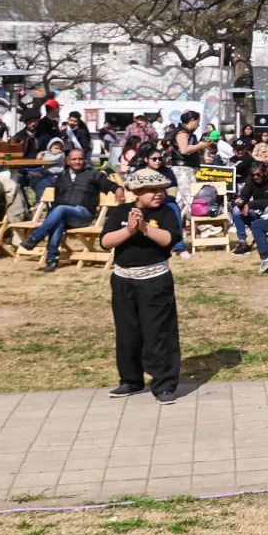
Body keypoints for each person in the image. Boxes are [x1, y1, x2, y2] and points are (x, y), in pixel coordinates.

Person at [101, 168, 184, 404]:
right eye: (152, 190)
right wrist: (128, 229)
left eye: (161, 190)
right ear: (136, 192)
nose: (158, 194)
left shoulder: (166, 211)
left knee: (158, 332)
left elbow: (170, 240)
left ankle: (164, 384)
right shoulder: (121, 211)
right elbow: (105, 242)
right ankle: (131, 380)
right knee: (127, 332)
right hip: (124, 280)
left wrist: (144, 228)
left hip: (155, 280)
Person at [23, 149, 112, 272]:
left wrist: (118, 190)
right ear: (68, 161)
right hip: (64, 215)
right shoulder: (62, 177)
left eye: (80, 159)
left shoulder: (93, 174)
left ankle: (35, 237)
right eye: (74, 159)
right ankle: (51, 259)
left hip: (83, 215)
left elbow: (108, 185)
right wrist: (50, 218)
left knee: (61, 209)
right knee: (58, 221)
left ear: (85, 160)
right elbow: (56, 201)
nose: (77, 162)